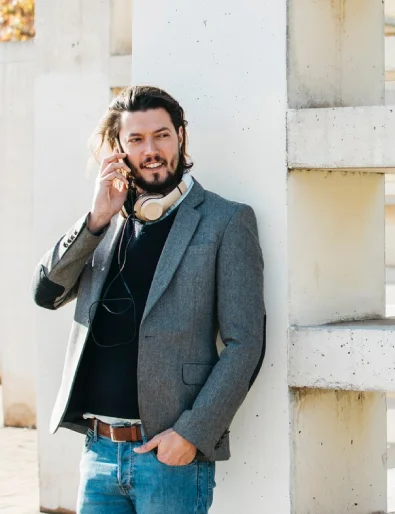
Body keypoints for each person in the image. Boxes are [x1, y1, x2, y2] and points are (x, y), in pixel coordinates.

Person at [31, 85, 266, 513]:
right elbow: (46, 294)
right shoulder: (104, 225)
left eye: (161, 135)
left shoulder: (226, 220)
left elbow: (245, 342)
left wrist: (193, 433)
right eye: (136, 140)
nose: (151, 150)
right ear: (119, 150)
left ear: (180, 136)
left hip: (168, 457)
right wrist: (97, 217)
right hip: (98, 452)